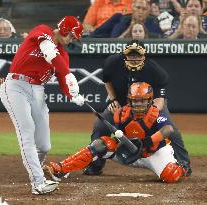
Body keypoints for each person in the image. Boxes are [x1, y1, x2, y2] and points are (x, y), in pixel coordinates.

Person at [77, 40, 191, 177]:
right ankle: (95, 166)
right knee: (100, 126)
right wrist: (112, 100)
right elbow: (107, 80)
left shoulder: (155, 70)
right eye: (131, 55)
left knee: (170, 128)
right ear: (124, 55)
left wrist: (150, 113)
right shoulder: (112, 63)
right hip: (122, 103)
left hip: (149, 104)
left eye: (138, 55)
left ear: (144, 56)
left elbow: (160, 99)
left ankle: (184, 163)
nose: (134, 58)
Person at [0, 16, 85, 195]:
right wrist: (68, 73)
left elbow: (62, 77)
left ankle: (35, 168)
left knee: (44, 145)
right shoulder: (43, 30)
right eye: (71, 36)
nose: (71, 41)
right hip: (16, 86)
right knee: (27, 131)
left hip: (38, 90)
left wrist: (73, 94)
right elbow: (48, 52)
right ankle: (38, 182)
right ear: (63, 30)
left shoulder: (63, 54)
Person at [43, 82, 187, 183]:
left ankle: (181, 167)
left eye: (142, 101)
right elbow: (116, 137)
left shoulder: (156, 113)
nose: (138, 105)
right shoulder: (120, 114)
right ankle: (61, 168)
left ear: (149, 101)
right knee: (100, 144)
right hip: (128, 154)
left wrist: (146, 142)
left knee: (171, 175)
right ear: (129, 101)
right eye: (135, 101)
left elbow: (168, 129)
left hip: (153, 154)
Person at [89, 0, 163, 38]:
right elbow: (113, 44)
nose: (140, 11)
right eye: (138, 8)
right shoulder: (121, 21)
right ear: (132, 8)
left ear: (148, 12)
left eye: (144, 9)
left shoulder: (153, 23)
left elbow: (163, 43)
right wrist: (130, 28)